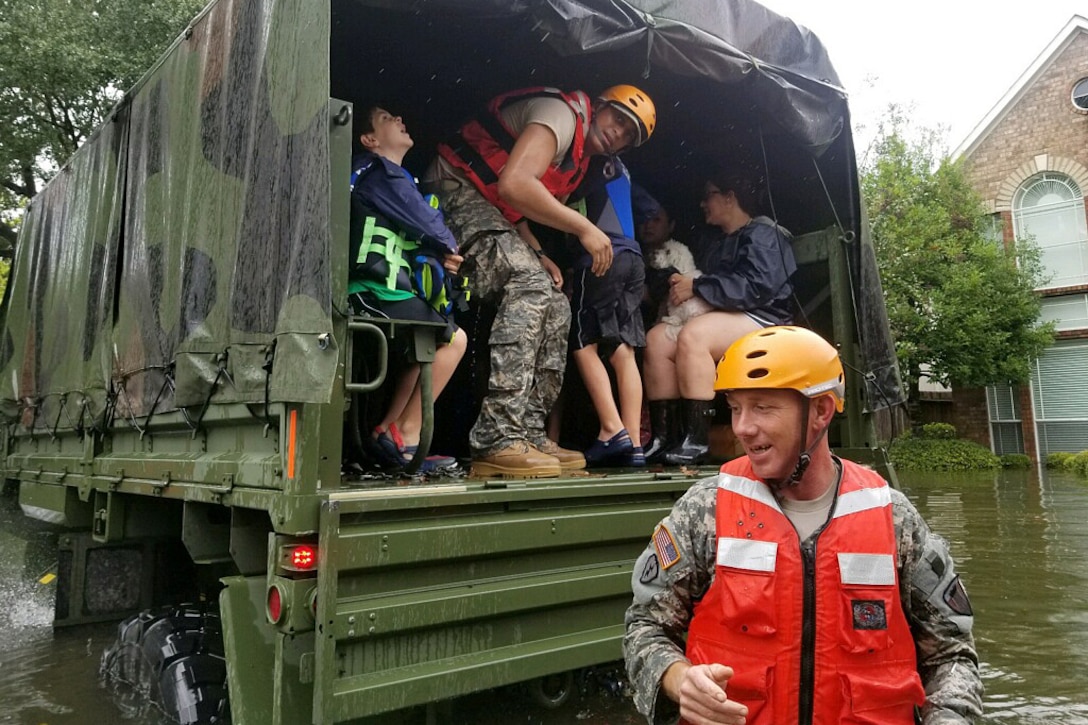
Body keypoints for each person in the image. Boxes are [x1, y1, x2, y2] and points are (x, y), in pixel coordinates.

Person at [624, 325, 984, 725]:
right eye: (736, 407)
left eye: (762, 407)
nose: (742, 427)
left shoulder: (894, 519)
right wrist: (679, 679)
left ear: (820, 411)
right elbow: (644, 628)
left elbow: (952, 653)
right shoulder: (703, 512)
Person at [425, 84, 656, 478]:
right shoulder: (560, 116)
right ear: (598, 107)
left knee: (555, 296)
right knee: (530, 285)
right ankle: (497, 435)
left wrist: (540, 253)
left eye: (629, 133)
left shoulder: (580, 159)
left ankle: (528, 431)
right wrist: (584, 227)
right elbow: (514, 184)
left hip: (488, 207)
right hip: (451, 189)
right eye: (618, 118)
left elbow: (511, 209)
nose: (619, 132)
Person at [643, 172, 796, 466]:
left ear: (730, 197)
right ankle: (665, 439)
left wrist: (698, 286)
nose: (703, 203)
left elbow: (756, 287)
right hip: (725, 315)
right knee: (657, 340)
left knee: (695, 335)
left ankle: (696, 440)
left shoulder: (764, 235)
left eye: (709, 195)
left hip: (763, 318)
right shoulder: (716, 242)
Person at [349, 105, 468, 471]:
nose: (400, 119)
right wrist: (447, 245)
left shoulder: (382, 177)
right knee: (454, 340)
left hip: (383, 291)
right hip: (369, 290)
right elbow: (430, 224)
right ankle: (407, 434)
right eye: (387, 119)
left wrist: (438, 252)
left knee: (426, 345)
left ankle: (388, 432)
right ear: (370, 140)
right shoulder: (382, 172)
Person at [568, 157, 658, 467]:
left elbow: (559, 195)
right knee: (623, 351)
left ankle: (611, 429)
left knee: (583, 342)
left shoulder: (589, 160)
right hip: (633, 257)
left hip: (601, 255)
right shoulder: (624, 167)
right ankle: (633, 444)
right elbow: (650, 209)